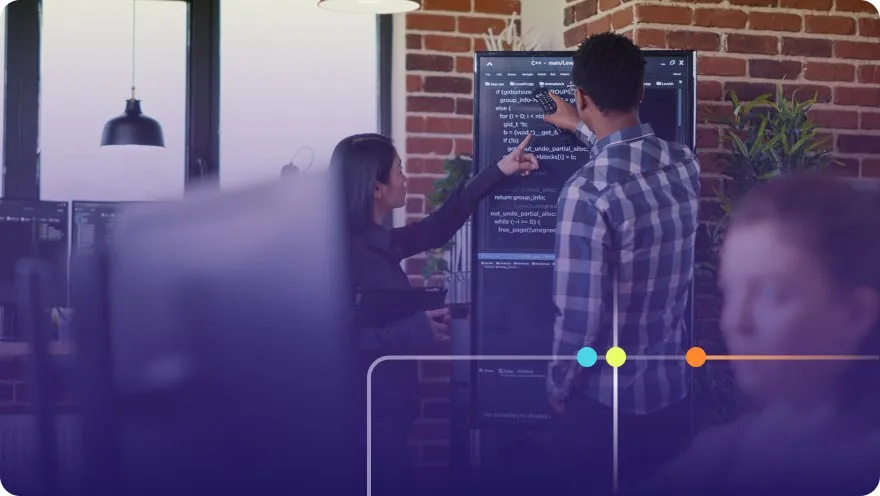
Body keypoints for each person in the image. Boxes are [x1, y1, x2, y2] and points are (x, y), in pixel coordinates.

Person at [640, 174, 880, 496]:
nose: (736, 322)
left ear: (856, 313)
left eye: (771, 293)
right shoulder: (718, 457)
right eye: (730, 291)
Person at [329, 132, 538, 495]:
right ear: (376, 188)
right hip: (363, 419)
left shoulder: (376, 241)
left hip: (390, 413)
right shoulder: (339, 254)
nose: (405, 177)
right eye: (399, 169)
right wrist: (412, 330)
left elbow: (438, 226)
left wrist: (499, 170)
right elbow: (336, 339)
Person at [541, 32, 701, 494]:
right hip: (672, 394)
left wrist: (558, 383)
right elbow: (627, 159)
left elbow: (579, 319)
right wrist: (582, 127)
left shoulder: (585, 192)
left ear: (581, 95)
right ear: (642, 91)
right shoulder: (683, 163)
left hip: (606, 408)